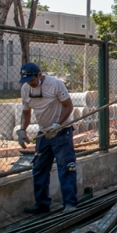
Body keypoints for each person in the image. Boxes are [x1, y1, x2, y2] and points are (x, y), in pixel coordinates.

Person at [16, 62, 78, 214]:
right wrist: (22, 129)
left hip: (61, 131)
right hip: (44, 132)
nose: (30, 83)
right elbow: (26, 112)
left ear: (39, 75)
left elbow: (68, 106)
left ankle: (70, 203)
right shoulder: (26, 89)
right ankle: (42, 203)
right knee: (39, 167)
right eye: (27, 81)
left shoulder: (56, 84)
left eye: (32, 79)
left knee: (66, 166)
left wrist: (57, 124)